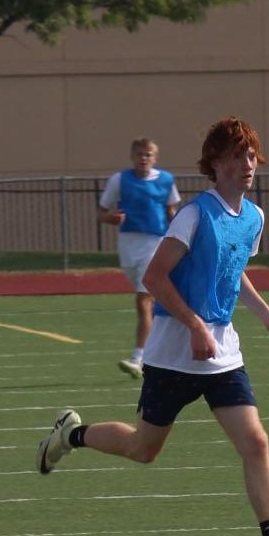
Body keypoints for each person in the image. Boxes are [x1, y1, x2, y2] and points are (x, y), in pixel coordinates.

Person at [38, 116, 269, 536]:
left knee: (256, 442)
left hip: (222, 352)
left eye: (252, 155)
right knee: (143, 448)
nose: (248, 163)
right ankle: (70, 435)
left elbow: (235, 273)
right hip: (175, 351)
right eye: (238, 155)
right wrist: (194, 325)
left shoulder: (254, 217)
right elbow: (154, 278)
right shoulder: (195, 214)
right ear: (216, 162)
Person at [98, 138, 182, 380]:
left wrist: (180, 233)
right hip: (128, 247)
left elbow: (171, 210)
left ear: (155, 158)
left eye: (148, 155)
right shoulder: (119, 180)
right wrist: (111, 218)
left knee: (143, 301)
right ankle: (166, 348)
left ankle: (138, 357)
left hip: (155, 244)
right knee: (154, 305)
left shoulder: (166, 180)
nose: (143, 159)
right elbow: (101, 212)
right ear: (132, 156)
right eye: (139, 155)